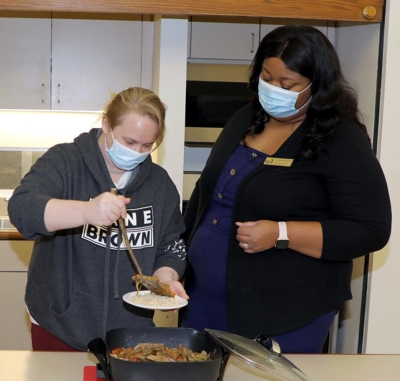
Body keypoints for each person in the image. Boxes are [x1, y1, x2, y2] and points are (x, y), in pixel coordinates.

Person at [180, 25, 391, 353]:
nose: (273, 89)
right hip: (203, 301)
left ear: (317, 86)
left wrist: (282, 232)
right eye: (266, 77)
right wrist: (175, 260)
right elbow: (205, 195)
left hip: (283, 313)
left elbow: (371, 230)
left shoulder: (340, 139)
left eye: (286, 83)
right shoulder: (245, 118)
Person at [8, 87, 188, 351]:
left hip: (131, 333)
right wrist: (86, 212)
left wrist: (165, 279)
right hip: (60, 325)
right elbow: (22, 208)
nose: (137, 152)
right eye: (129, 141)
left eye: (147, 145)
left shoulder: (159, 184)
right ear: (106, 124)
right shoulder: (65, 161)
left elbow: (171, 245)